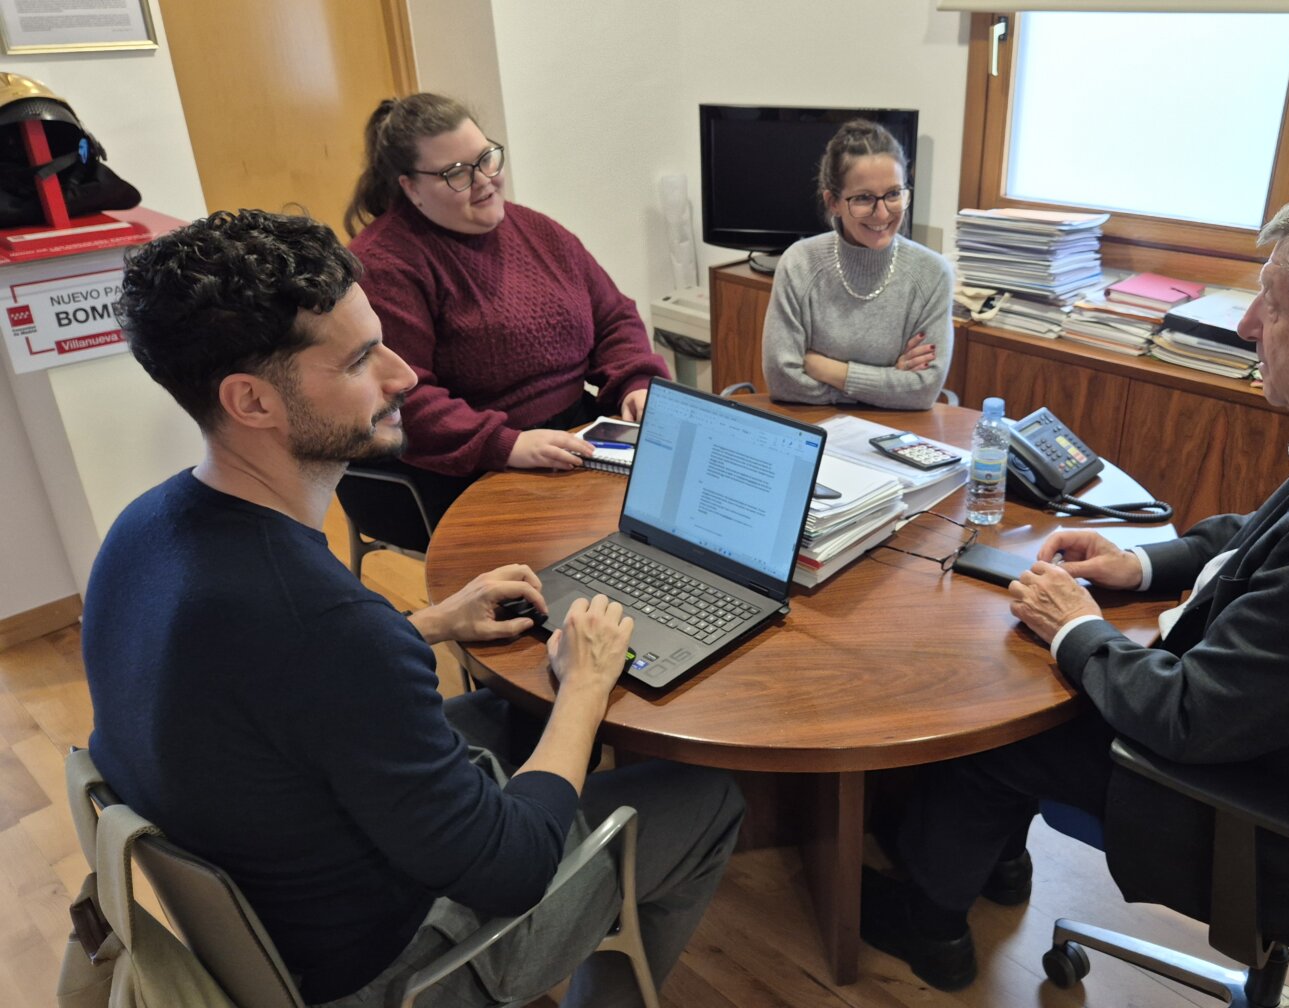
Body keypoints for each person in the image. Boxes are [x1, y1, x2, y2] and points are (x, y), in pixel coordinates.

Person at [859, 182, 1289, 990]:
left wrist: (1076, 623)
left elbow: (1188, 716)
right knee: (1029, 688)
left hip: (1280, 824)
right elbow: (1273, 533)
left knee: (988, 722)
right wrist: (1144, 564)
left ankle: (932, 928)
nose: (1248, 324)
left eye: (1273, 305)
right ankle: (993, 864)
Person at [85, 209, 743, 1007]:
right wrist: (586, 686)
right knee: (707, 797)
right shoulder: (327, 628)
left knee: (508, 710)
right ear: (251, 401)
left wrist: (427, 624)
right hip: (392, 968)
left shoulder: (141, 532)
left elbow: (274, 683)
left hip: (281, 896)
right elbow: (514, 870)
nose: (403, 377)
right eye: (361, 359)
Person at [344, 93, 670, 527]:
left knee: (674, 511)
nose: (484, 181)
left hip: (570, 432)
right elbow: (405, 396)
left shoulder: (537, 230)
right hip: (465, 463)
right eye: (456, 173)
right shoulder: (386, 264)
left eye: (486, 159)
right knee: (598, 539)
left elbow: (613, 317)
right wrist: (505, 444)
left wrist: (635, 383)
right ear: (410, 186)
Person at [761, 119, 954, 409]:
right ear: (833, 202)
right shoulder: (799, 264)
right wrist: (889, 382)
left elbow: (924, 391)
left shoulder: (932, 274)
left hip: (899, 430)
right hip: (815, 425)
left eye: (893, 194)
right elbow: (781, 379)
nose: (882, 214)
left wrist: (823, 368)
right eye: (864, 198)